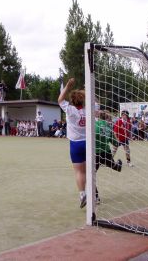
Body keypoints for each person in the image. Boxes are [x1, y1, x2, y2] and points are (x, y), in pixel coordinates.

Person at [58, 78, 87, 208]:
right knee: (88, 172)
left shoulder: (70, 110)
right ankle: (93, 194)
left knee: (79, 172)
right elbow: (97, 102)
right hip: (88, 143)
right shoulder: (88, 109)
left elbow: (60, 100)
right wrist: (88, 89)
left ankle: (82, 194)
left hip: (75, 144)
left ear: (73, 100)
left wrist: (68, 87)